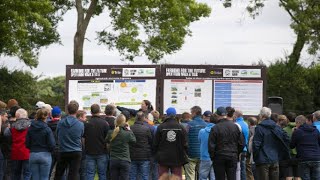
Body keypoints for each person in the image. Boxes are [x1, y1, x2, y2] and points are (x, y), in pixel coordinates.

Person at [252, 107, 290, 180]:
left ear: (261, 116)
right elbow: (286, 139)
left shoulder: (259, 128)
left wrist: (255, 157)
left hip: (262, 159)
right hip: (274, 158)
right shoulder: (276, 127)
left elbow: (256, 144)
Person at [208, 107, 244, 180]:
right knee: (232, 177)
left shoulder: (215, 128)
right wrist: (236, 153)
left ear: (217, 115)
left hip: (219, 156)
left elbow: (211, 145)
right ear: (226, 115)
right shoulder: (235, 127)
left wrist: (213, 157)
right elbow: (241, 143)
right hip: (232, 155)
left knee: (219, 177)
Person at [154, 107, 188, 179]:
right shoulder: (181, 127)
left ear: (167, 115)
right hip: (177, 158)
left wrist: (157, 155)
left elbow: (155, 143)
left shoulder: (160, 127)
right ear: (175, 115)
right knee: (177, 178)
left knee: (163, 177)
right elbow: (185, 143)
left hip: (163, 158)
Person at [55, 101, 84, 180]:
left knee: (58, 174)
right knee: (73, 175)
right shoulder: (80, 124)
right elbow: (81, 135)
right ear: (77, 111)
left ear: (67, 110)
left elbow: (57, 135)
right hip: (76, 151)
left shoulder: (60, 123)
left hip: (63, 150)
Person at [26, 108, 55, 180]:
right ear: (47, 116)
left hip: (33, 154)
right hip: (45, 154)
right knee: (44, 178)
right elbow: (52, 144)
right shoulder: (47, 129)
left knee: (35, 178)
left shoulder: (30, 128)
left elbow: (27, 143)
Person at [106, 114, 136, 180]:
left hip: (113, 159)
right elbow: (134, 140)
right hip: (125, 159)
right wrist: (129, 130)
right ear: (124, 122)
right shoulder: (127, 133)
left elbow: (107, 141)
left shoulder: (110, 132)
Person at [84, 104, 110, 180]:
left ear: (91, 112)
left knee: (89, 174)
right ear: (99, 111)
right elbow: (107, 139)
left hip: (89, 152)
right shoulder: (104, 123)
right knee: (102, 174)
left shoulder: (86, 123)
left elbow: (83, 137)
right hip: (102, 152)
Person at [4, 108, 31, 180]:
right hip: (27, 152)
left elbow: (6, 135)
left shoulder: (12, 126)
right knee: (27, 174)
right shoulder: (30, 125)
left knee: (15, 173)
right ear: (26, 116)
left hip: (15, 152)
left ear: (17, 116)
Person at [290, 115, 320, 180]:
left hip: (304, 158)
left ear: (298, 123)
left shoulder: (297, 132)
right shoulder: (316, 130)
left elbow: (292, 146)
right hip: (316, 158)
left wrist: (293, 133)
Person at [185, 106, 207, 180]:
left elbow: (185, 138)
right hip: (202, 154)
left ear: (194, 113)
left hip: (191, 154)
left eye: (191, 113)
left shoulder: (189, 125)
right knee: (202, 175)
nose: (191, 114)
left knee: (190, 175)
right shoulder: (206, 125)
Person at [129, 111, 152, 180]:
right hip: (144, 155)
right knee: (144, 176)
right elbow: (150, 141)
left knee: (132, 176)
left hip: (132, 155)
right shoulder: (146, 129)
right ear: (143, 118)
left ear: (135, 118)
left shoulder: (131, 128)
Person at [198, 113, 218, 180]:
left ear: (209, 120)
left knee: (203, 177)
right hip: (216, 157)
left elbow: (199, 141)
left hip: (205, 157)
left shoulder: (202, 131)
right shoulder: (219, 131)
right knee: (214, 177)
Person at [234, 109, 249, 180]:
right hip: (245, 148)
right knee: (243, 169)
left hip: (238, 150)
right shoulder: (246, 124)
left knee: (237, 169)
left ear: (236, 115)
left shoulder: (236, 125)